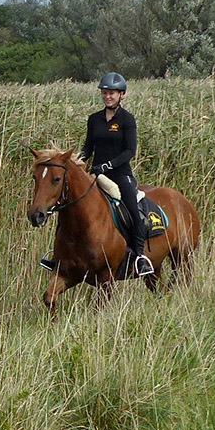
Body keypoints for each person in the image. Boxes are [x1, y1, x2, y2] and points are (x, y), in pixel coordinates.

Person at [81, 71, 153, 278]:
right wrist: (76, 160)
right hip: (97, 175)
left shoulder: (127, 120)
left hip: (121, 175)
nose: (107, 96)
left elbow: (130, 151)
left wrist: (109, 165)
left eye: (112, 93)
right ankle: (60, 256)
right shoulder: (94, 119)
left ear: (121, 94)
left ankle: (139, 257)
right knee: (72, 205)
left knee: (134, 212)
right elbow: (88, 148)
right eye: (105, 93)